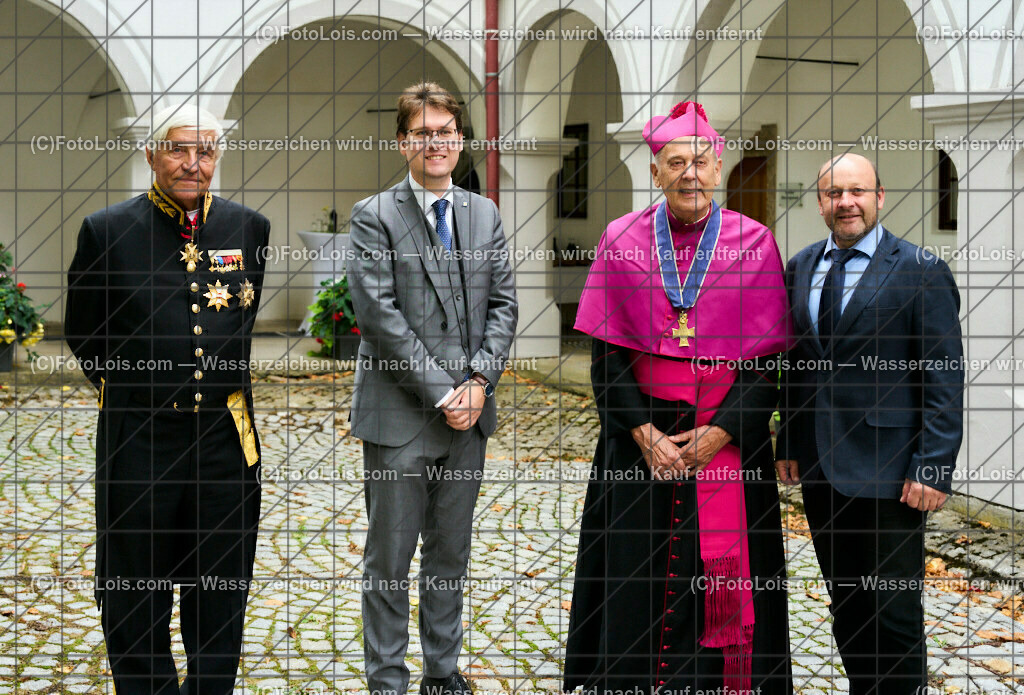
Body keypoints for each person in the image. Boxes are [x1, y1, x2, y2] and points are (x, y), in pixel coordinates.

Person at [563, 101, 793, 695]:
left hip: (726, 441)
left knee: (715, 568)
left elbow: (766, 365)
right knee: (635, 573)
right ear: (656, 171)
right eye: (675, 162)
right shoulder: (621, 239)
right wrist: (644, 435)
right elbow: (606, 356)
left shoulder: (754, 243)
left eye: (700, 161)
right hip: (641, 441)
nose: (690, 173)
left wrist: (719, 433)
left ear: (718, 168)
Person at [65, 103, 269, 694]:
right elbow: (86, 332)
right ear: (152, 154)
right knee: (134, 585)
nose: (192, 163)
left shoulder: (248, 228)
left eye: (205, 151)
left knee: (221, 585)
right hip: (140, 437)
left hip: (224, 443)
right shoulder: (106, 231)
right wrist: (141, 388)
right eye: (179, 149)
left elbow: (242, 318)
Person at [347, 82, 518, 695]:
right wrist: (446, 393)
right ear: (402, 142)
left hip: (470, 416)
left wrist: (477, 383)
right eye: (423, 133)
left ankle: (442, 675)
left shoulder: (485, 214)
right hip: (399, 416)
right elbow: (379, 318)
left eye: (446, 131)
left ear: (460, 138)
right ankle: (387, 680)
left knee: (450, 555)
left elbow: (503, 306)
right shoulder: (375, 216)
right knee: (389, 561)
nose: (436, 142)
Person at [775, 153, 963, 694]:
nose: (846, 202)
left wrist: (932, 465)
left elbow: (944, 375)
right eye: (834, 193)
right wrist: (789, 437)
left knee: (893, 609)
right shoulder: (802, 266)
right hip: (820, 468)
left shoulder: (920, 270)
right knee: (849, 601)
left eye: (857, 191)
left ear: (879, 197)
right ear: (820, 203)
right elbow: (797, 364)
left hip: (891, 469)